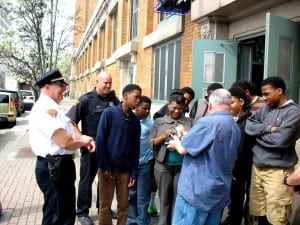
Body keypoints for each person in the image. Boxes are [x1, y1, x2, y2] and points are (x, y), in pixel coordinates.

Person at [29, 69, 95, 225]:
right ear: (46, 87)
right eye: (60, 85)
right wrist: (84, 141)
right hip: (55, 168)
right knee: (63, 216)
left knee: (52, 213)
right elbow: (65, 142)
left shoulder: (53, 107)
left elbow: (70, 123)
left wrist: (80, 137)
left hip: (57, 167)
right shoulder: (46, 109)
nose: (65, 89)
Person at [167, 88, 241, 225]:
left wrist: (176, 143)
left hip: (197, 192)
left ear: (210, 105)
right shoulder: (233, 125)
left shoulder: (207, 122)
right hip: (219, 191)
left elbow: (183, 149)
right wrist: (189, 137)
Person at [245, 76, 300, 225]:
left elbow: (280, 140)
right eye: (263, 94)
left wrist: (258, 137)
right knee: (260, 214)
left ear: (279, 91)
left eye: (267, 93)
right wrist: (267, 129)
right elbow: (249, 126)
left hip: (278, 172)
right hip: (258, 169)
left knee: (277, 218)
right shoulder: (265, 109)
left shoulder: (293, 112)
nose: (264, 97)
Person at [66, 71, 119, 225]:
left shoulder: (113, 100)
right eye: (105, 82)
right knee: (86, 181)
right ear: (97, 82)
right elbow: (71, 121)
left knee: (106, 180)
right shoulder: (85, 100)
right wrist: (82, 138)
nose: (108, 85)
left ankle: (104, 208)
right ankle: (82, 212)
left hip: (108, 150)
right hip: (91, 148)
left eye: (110, 83)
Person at [96, 84, 142, 225]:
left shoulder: (135, 121)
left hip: (125, 172)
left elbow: (136, 149)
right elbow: (100, 140)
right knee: (105, 206)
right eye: (136, 97)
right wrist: (104, 167)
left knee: (123, 206)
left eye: (140, 97)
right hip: (108, 171)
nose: (138, 101)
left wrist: (133, 172)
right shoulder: (109, 113)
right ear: (125, 96)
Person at [148, 93, 193, 225]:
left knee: (178, 199)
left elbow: (195, 143)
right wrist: (164, 136)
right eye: (174, 107)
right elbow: (150, 143)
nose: (177, 111)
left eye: (180, 108)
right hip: (163, 167)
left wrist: (185, 137)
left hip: (182, 167)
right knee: (164, 199)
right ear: (168, 105)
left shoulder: (189, 122)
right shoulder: (160, 122)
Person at [221, 86, 254, 225]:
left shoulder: (249, 120)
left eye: (232, 102)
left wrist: (234, 169)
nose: (228, 106)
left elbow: (242, 148)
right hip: (225, 168)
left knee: (237, 201)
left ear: (241, 101)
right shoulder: (226, 118)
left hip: (239, 170)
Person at [127, 96, 154, 225]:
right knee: (131, 195)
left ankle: (142, 221)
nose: (147, 111)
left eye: (149, 108)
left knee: (142, 197)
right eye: (144, 108)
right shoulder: (128, 120)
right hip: (129, 166)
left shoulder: (151, 124)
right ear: (136, 107)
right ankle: (131, 220)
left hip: (145, 165)